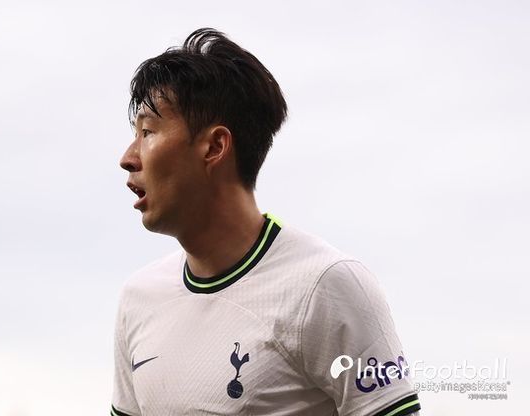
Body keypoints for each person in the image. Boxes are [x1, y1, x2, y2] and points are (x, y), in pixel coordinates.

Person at [111, 28, 421, 416]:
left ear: (215, 146)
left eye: (147, 132)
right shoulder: (138, 298)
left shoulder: (326, 284)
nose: (128, 157)